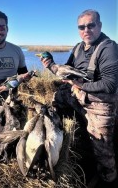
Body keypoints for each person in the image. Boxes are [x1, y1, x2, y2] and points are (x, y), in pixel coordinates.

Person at [39, 9, 118, 187]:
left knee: (102, 149)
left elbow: (110, 85)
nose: (86, 30)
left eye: (91, 25)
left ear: (100, 26)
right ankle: (74, 137)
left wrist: (79, 85)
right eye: (81, 27)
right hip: (79, 95)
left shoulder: (108, 47)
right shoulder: (78, 47)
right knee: (58, 97)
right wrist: (51, 64)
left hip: (100, 102)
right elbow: (66, 71)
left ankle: (108, 178)